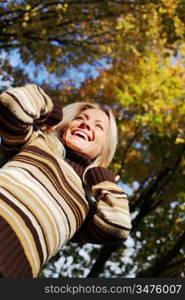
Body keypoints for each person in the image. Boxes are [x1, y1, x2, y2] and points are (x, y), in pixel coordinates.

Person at [0, 84, 132, 278]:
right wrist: (51, 109)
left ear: (105, 147)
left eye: (98, 126)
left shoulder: (88, 206)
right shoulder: (35, 142)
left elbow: (118, 227)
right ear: (67, 124)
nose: (86, 125)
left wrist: (104, 182)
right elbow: (12, 103)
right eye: (80, 118)